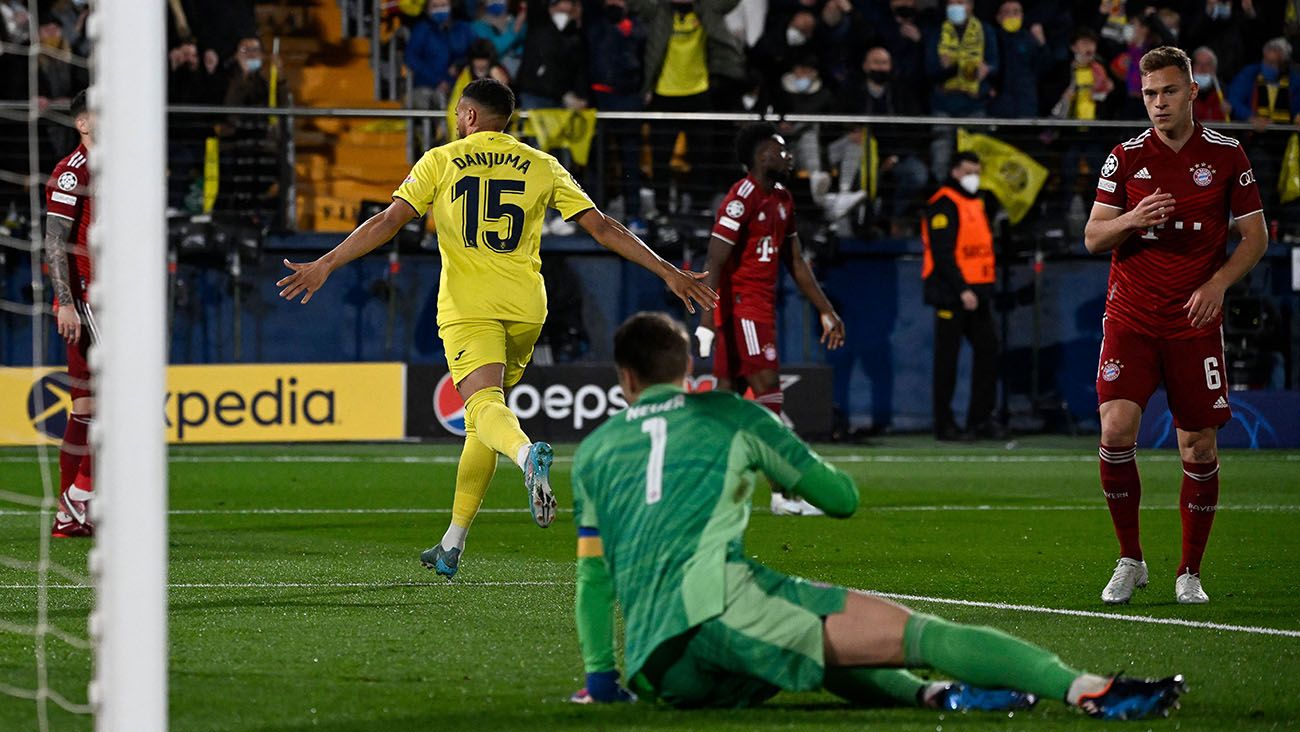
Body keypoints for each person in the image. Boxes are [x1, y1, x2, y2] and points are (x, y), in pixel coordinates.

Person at [567, 311, 1185, 720]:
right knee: (920, 634)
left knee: (815, 641)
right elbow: (841, 500)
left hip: (663, 667)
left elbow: (592, 580)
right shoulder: (732, 414)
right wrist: (782, 460)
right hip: (720, 610)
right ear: (687, 371)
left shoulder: (592, 452)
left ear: (625, 377)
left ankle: (935, 695)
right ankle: (1091, 690)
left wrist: (601, 682)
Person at [276, 79, 717, 577]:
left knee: (485, 408)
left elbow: (387, 221)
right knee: (482, 418)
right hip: (527, 309)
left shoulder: (441, 160)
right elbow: (602, 227)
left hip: (470, 307)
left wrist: (326, 264)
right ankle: (451, 544)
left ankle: (528, 456)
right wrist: (669, 272)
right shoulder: (541, 164)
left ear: (467, 116)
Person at [1083, 46, 1268, 606]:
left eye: (1167, 92)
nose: (1157, 104)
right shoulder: (1125, 156)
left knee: (1200, 448)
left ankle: (1189, 570)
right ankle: (1130, 559)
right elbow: (1093, 237)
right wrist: (1134, 219)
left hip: (1193, 322)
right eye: (1148, 95)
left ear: (1192, 92)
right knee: (1115, 431)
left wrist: (1216, 285)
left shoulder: (1228, 154)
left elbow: (1255, 237)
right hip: (1131, 318)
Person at [697, 122, 845, 516]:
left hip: (759, 307)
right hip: (743, 307)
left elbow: (795, 261)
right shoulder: (741, 197)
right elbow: (714, 259)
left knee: (727, 402)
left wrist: (825, 308)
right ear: (762, 155)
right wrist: (708, 321)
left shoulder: (782, 198)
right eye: (781, 149)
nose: (788, 156)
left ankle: (703, 485)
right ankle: (784, 493)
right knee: (769, 397)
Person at [921, 151, 1003, 442]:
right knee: (947, 362)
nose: (974, 177)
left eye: (977, 172)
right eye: (969, 171)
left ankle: (979, 420)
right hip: (952, 295)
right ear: (955, 171)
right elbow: (943, 255)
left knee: (988, 352)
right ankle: (944, 424)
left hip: (976, 294)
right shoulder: (943, 204)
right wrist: (962, 289)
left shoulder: (975, 202)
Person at [44, 90, 95, 539]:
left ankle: (70, 512)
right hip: (89, 301)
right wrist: (65, 302)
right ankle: (78, 498)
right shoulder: (71, 172)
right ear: (83, 123)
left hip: (111, 298)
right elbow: (55, 240)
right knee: (116, 406)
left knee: (86, 407)